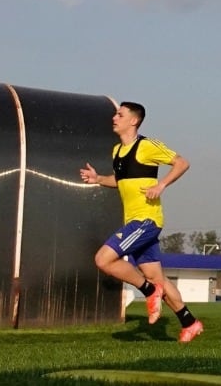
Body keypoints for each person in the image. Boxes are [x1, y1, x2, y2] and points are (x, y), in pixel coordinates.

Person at [80, 102, 203, 343]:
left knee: (103, 259)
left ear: (133, 121)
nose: (114, 118)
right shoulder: (117, 151)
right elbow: (120, 180)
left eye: (120, 114)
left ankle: (148, 290)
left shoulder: (147, 146)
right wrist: (98, 179)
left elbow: (182, 163)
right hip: (134, 221)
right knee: (158, 279)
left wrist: (161, 185)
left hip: (146, 221)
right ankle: (190, 323)